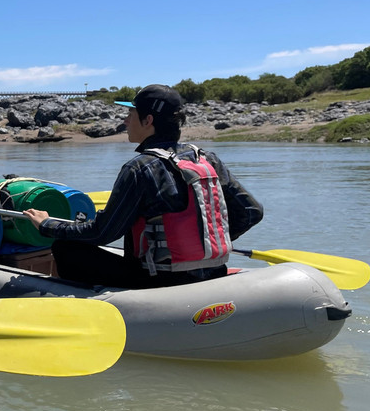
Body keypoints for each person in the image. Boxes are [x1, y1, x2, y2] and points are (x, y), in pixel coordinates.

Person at [22, 84, 264, 288]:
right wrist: (206, 243)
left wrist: (49, 224)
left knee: (66, 247)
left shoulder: (140, 168)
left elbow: (103, 233)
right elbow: (252, 212)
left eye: (131, 114)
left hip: (159, 281)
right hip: (213, 273)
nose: (125, 121)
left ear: (148, 120)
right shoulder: (207, 158)